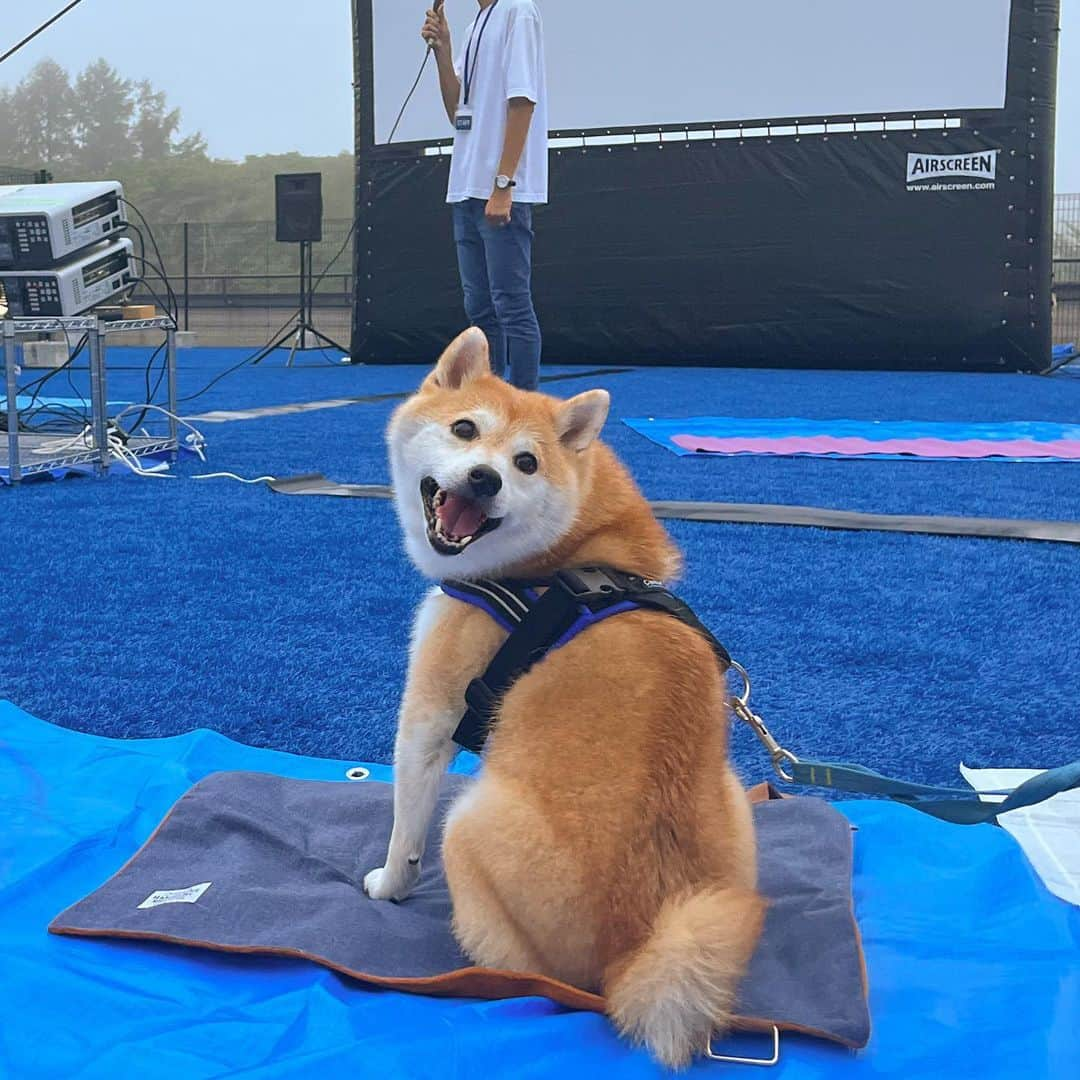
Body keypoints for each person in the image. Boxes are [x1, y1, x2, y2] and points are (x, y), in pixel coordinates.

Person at [421, 0, 547, 391]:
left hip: (498, 188)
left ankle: (525, 410)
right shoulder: (478, 21)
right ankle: (490, 403)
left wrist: (504, 184)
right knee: (480, 311)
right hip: (466, 185)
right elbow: (457, 112)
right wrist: (443, 52)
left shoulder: (517, 11)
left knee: (511, 305)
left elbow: (523, 101)